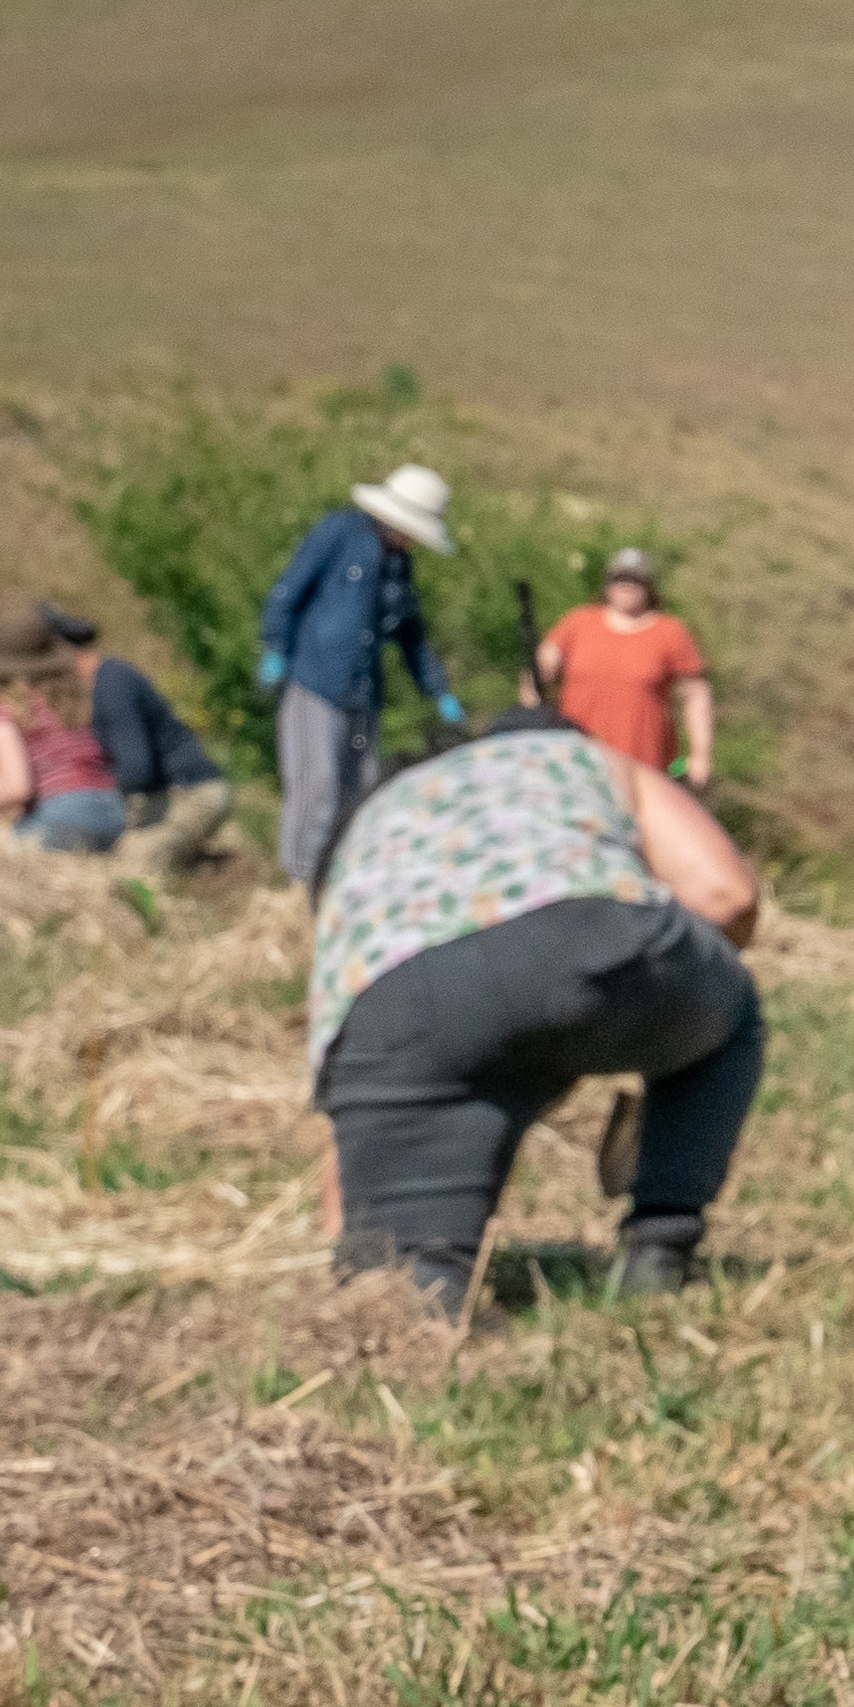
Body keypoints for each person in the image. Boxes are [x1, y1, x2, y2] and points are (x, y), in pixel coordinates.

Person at [307, 707, 767, 1313]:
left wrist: (363, 1199)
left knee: (402, 1287)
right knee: (732, 1010)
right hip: (589, 931)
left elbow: (342, 1057)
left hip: (391, 1000)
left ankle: (419, 1308)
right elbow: (724, 896)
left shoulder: (387, 802)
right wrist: (616, 1013)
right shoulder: (584, 757)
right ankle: (658, 1248)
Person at [257, 460, 461, 891]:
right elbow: (290, 589)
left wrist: (438, 690)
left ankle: (343, 883)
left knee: (360, 789)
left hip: (362, 692)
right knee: (319, 787)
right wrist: (275, 647)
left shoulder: (399, 566)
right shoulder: (339, 534)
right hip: (316, 682)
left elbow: (411, 635)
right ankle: (299, 884)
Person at [49, 608, 239, 867]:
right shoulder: (105, 680)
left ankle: (205, 867)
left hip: (190, 794)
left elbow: (136, 769)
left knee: (130, 865)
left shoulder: (112, 685)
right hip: (170, 795)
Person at [0, 622, 127, 854]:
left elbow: (14, 785)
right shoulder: (72, 703)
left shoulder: (3, 707)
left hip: (64, 813)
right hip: (112, 813)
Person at [533, 546, 716, 785]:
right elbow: (539, 672)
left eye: (636, 580)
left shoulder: (670, 632)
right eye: (620, 579)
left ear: (649, 586)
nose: (627, 586)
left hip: (643, 770)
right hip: (575, 763)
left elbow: (695, 695)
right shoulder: (578, 622)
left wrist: (700, 755)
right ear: (607, 585)